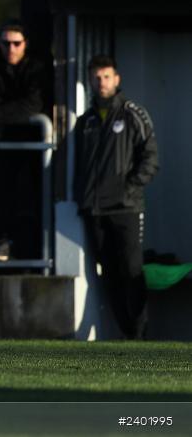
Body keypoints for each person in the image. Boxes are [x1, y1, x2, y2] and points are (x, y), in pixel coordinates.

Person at [75, 55, 158, 340]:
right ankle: (128, 333)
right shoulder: (85, 121)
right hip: (95, 209)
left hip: (126, 208)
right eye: (97, 78)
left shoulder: (133, 114)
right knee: (108, 273)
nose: (102, 83)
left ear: (117, 79)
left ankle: (140, 334)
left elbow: (150, 158)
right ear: (90, 80)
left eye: (106, 77)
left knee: (131, 270)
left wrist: (129, 188)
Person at [0, 21, 46, 262]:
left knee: (39, 191)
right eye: (6, 43)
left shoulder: (38, 66)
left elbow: (35, 104)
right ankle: (2, 242)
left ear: (26, 44)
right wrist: (6, 112)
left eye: (17, 43)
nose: (11, 49)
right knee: (2, 187)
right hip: (11, 135)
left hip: (40, 137)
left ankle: (37, 248)